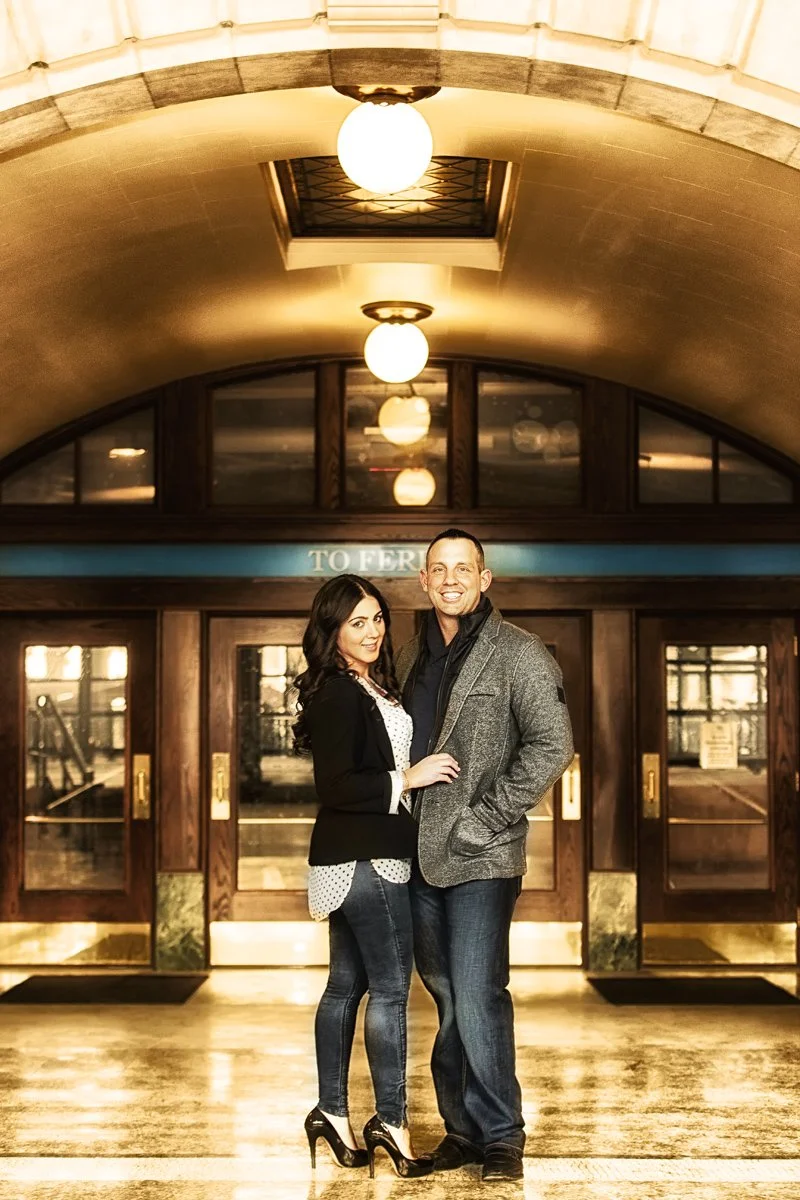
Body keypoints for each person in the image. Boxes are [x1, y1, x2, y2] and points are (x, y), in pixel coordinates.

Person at [396, 529, 574, 1183]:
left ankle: (502, 1135)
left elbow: (552, 745)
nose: (450, 579)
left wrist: (485, 818)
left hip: (482, 853)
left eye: (462, 568)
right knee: (443, 994)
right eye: (438, 568)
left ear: (485, 578)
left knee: (477, 993)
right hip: (413, 854)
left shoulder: (519, 654)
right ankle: (462, 1131)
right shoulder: (411, 653)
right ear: (423, 578)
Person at [295, 573, 459, 1179]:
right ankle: (390, 1123)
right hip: (367, 858)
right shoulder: (339, 692)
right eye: (356, 622)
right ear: (333, 631)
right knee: (390, 990)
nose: (371, 632)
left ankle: (330, 1115)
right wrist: (407, 780)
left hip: (354, 856)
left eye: (377, 619)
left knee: (345, 985)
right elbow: (335, 786)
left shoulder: (366, 686)